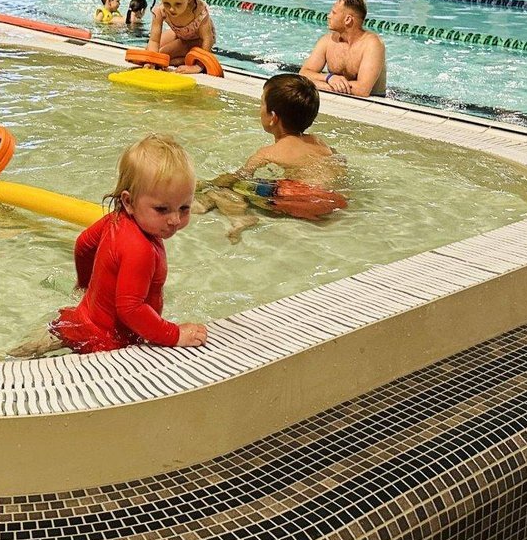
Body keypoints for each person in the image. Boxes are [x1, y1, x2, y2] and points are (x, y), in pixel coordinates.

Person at [49, 135, 207, 353]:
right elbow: (131, 309)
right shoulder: (140, 249)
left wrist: (85, 284)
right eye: (162, 209)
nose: (174, 220)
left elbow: (83, 244)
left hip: (81, 320)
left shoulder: (113, 220)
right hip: (106, 343)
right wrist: (174, 334)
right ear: (129, 201)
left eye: (184, 208)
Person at [194, 74, 345, 242]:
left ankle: (239, 217)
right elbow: (338, 160)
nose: (259, 108)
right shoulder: (318, 141)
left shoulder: (267, 153)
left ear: (273, 117)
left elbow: (237, 177)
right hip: (334, 200)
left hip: (302, 200)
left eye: (261, 103)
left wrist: (206, 184)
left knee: (226, 189)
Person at [300, 0, 386, 97]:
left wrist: (316, 84)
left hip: (375, 102)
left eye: (334, 12)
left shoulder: (372, 44)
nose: (328, 16)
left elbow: (362, 90)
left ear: (348, 19)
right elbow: (304, 73)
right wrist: (329, 78)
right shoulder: (327, 41)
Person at [148, 0, 216, 66]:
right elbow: (154, 40)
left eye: (178, 4)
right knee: (149, 52)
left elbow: (207, 39)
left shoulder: (198, 10)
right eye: (167, 3)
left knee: (164, 53)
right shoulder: (160, 10)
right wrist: (151, 62)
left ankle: (187, 60)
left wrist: (199, 66)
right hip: (180, 35)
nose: (171, 9)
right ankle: (181, 59)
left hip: (199, 41)